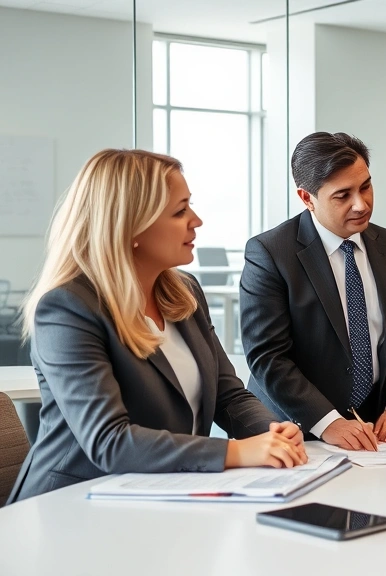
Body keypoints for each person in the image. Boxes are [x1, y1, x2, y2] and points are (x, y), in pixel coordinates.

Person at [9, 149, 306, 504]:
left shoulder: (185, 292)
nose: (196, 220)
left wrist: (271, 431)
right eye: (180, 211)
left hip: (158, 495)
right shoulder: (68, 308)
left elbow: (228, 396)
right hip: (72, 505)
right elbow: (110, 441)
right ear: (131, 225)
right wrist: (237, 452)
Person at [240, 132, 386, 451]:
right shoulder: (270, 253)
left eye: (365, 186)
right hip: (293, 430)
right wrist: (329, 422)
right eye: (343, 195)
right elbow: (267, 356)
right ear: (307, 198)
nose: (361, 204)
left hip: (377, 432)